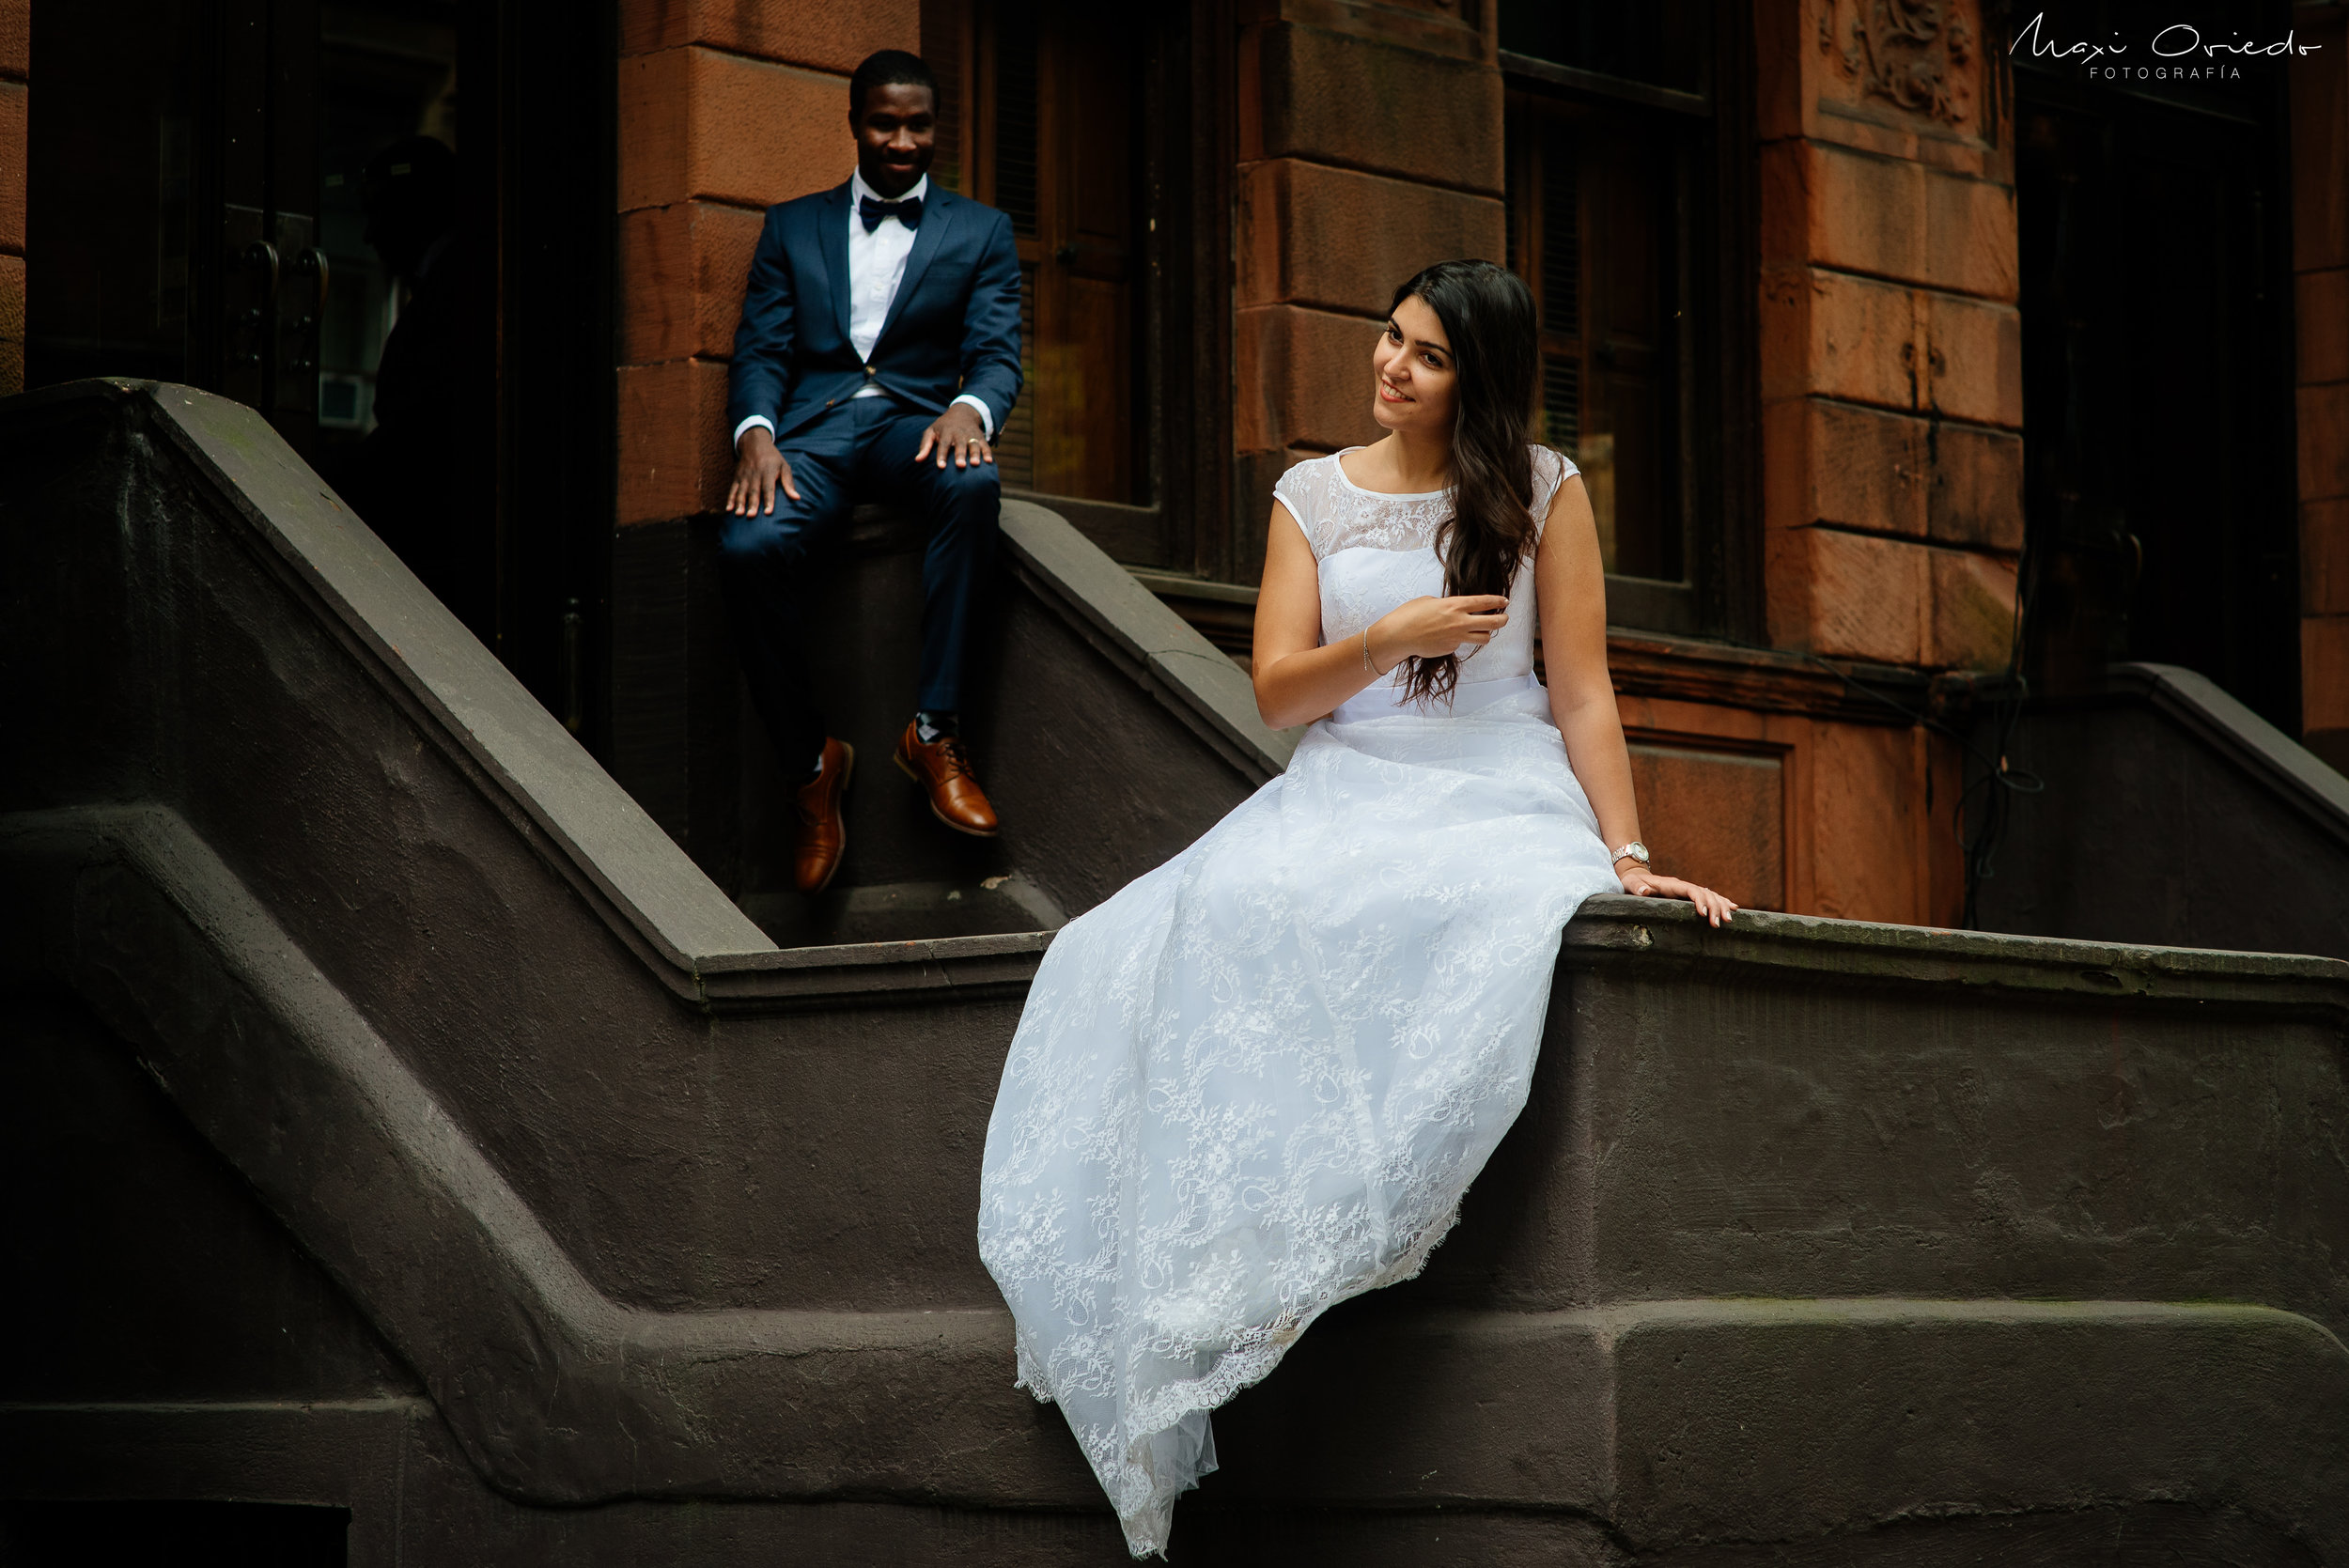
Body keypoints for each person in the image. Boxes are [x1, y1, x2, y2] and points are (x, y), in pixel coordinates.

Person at [976, 260, 1736, 1558]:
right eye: (1390, 337)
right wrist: (1393, 638)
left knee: (1472, 908)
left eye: (1428, 354)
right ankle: (1222, 1286)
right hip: (1346, 779)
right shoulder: (1311, 496)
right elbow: (1278, 693)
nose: (1392, 366)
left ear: (1476, 379)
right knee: (1164, 932)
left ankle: (1325, 1255)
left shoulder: (1546, 490)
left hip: (1497, 783)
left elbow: (1587, 690)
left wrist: (1628, 852)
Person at [721, 49, 1021, 895]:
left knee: (972, 482)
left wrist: (972, 410)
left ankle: (934, 731)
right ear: (855, 123)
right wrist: (754, 431)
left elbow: (997, 356)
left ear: (936, 129)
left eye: (917, 124)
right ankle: (811, 766)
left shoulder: (983, 232)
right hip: (809, 435)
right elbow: (762, 348)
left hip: (909, 429)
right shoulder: (791, 226)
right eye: (885, 123)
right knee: (746, 550)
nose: (901, 140)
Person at [339, 134, 491, 638]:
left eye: (378, 211)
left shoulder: (458, 288)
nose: (368, 235)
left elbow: (423, 422)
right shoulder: (446, 283)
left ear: (415, 207)